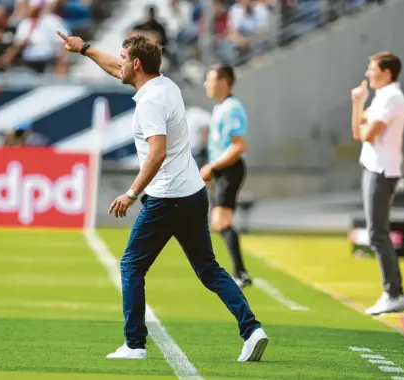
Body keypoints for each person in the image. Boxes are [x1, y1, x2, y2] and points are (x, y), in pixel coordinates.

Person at [56, 31, 269, 361]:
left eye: (125, 59)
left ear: (137, 64)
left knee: (130, 266)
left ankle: (134, 344)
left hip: (167, 198)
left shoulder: (149, 104)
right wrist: (83, 49)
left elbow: (156, 154)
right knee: (209, 268)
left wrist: (130, 193)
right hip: (193, 193)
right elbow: (116, 67)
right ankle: (252, 329)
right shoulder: (165, 85)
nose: (120, 64)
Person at [351, 51, 404, 315]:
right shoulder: (382, 97)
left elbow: (368, 133)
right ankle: (393, 292)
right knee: (377, 232)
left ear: (386, 72)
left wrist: (362, 115)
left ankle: (393, 293)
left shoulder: (392, 97)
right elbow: (358, 131)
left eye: (371, 68)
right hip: (375, 168)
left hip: (381, 170)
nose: (367, 73)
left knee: (377, 233)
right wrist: (358, 103)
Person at [200, 65, 252, 289]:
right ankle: (240, 272)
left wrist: (212, 166)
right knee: (218, 222)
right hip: (222, 170)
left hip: (230, 169)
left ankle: (240, 273)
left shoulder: (232, 108)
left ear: (223, 81)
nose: (205, 84)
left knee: (221, 221)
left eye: (209, 79)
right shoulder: (221, 108)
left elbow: (239, 146)